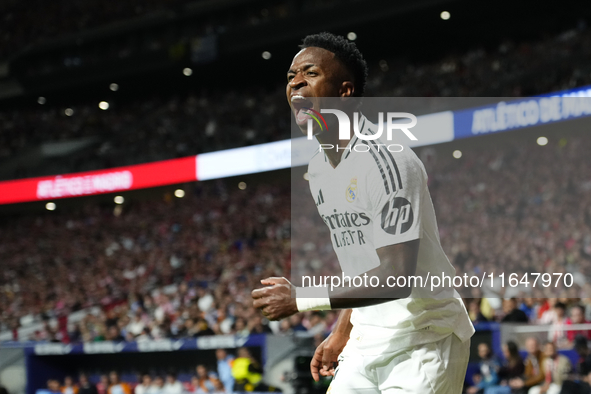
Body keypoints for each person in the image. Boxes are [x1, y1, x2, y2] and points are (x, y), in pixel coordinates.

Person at [251, 32, 474, 393]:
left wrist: (300, 299)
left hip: (425, 339)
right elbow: (360, 262)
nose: (295, 83)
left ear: (344, 92)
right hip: (367, 341)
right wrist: (342, 332)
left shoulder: (386, 160)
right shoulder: (319, 170)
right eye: (291, 77)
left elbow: (395, 274)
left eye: (309, 74)